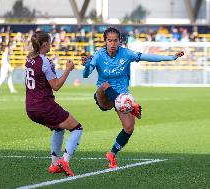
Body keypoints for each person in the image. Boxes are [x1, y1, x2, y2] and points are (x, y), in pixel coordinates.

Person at [81, 27, 184, 168]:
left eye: (115, 40)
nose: (112, 43)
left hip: (122, 96)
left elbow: (147, 57)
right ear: (105, 41)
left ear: (120, 41)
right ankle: (130, 104)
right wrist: (86, 65)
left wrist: (171, 57)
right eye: (109, 40)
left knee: (129, 128)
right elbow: (86, 75)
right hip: (104, 97)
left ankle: (112, 154)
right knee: (104, 84)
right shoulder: (98, 55)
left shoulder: (126, 54)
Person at [25, 31, 83, 176]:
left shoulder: (29, 58)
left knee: (59, 128)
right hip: (44, 105)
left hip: (30, 108)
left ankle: (54, 164)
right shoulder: (45, 61)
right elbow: (56, 86)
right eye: (50, 42)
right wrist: (68, 70)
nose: (51, 44)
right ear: (45, 44)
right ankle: (64, 161)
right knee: (77, 128)